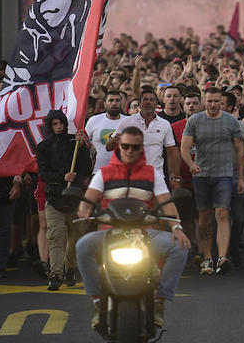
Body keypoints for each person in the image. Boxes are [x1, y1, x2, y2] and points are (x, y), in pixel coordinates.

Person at [75, 126, 190, 328]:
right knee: (82, 246)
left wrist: (177, 228)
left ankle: (160, 301)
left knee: (179, 247)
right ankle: (96, 301)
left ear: (141, 149)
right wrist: (84, 208)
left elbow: (167, 203)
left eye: (135, 147)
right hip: (109, 232)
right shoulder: (103, 173)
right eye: (126, 146)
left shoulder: (152, 174)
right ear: (119, 146)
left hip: (144, 233)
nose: (130, 151)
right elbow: (88, 198)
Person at [181, 87, 244, 275]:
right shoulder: (195, 120)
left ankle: (222, 257)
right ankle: (208, 257)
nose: (213, 104)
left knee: (223, 213)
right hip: (201, 175)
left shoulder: (231, 121)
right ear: (204, 102)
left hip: (224, 174)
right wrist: (191, 163)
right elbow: (184, 148)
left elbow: (240, 150)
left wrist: (241, 177)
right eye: (210, 101)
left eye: (217, 101)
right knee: (205, 217)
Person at [36, 109, 93, 290]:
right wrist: (62, 177)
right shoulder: (43, 147)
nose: (59, 127)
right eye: (55, 124)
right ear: (50, 126)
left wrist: (82, 147)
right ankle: (56, 274)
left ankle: (70, 268)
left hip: (75, 198)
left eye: (61, 123)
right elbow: (44, 173)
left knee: (76, 236)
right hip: (54, 199)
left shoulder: (74, 143)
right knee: (55, 236)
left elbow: (86, 167)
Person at [107, 87, 181, 189]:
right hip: (131, 176)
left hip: (157, 177)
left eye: (152, 100)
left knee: (156, 205)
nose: (148, 103)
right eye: (145, 100)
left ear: (156, 104)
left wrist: (175, 177)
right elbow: (108, 147)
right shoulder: (127, 122)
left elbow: (172, 152)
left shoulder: (165, 124)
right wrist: (114, 140)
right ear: (140, 103)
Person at [85, 90, 126, 174]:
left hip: (121, 172)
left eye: (117, 100)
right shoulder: (94, 120)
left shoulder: (128, 121)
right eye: (111, 100)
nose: (114, 103)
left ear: (121, 103)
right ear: (104, 104)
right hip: (97, 172)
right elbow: (85, 143)